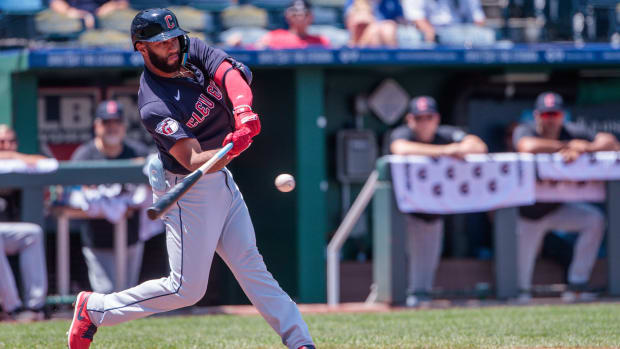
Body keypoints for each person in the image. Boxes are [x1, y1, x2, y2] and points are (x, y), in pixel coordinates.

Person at [67, 8, 315, 349]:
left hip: (221, 176)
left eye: (173, 39)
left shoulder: (189, 49)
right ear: (141, 48)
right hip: (186, 185)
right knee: (185, 289)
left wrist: (242, 111)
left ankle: (300, 341)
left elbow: (230, 73)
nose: (171, 47)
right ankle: (94, 309)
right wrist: (233, 149)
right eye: (160, 43)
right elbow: (194, 160)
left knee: (251, 266)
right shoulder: (154, 103)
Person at [513, 91, 619, 303]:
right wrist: (568, 147)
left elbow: (610, 142)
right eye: (546, 115)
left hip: (558, 208)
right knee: (520, 287)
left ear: (562, 115)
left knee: (594, 220)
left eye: (555, 114)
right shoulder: (527, 130)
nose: (551, 119)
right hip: (528, 214)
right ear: (536, 115)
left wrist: (586, 147)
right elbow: (526, 146)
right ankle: (519, 295)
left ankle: (577, 286)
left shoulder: (572, 130)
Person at [389, 96, 488, 307]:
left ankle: (419, 300)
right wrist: (446, 151)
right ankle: (397, 301)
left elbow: (479, 145)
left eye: (429, 117)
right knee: (398, 262)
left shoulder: (445, 133)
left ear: (437, 118)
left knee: (426, 265)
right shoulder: (403, 133)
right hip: (401, 211)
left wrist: (460, 147)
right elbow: (399, 148)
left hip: (432, 210)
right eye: (419, 118)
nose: (425, 122)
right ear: (410, 119)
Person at [70, 100, 150, 294]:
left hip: (131, 237)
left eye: (116, 122)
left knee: (129, 293)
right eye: (107, 123)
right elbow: (69, 196)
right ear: (97, 126)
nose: (112, 127)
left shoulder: (137, 152)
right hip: (97, 239)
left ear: (123, 126)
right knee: (106, 292)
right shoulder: (84, 155)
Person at [0, 125, 48, 322]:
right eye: (1, 142)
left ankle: (35, 307)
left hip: (7, 232)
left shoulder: (19, 160)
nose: (7, 146)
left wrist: (15, 156)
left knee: (33, 233)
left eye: (11, 141)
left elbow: (46, 163)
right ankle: (13, 307)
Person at [401, 0, 494, 45]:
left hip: (461, 30)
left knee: (487, 36)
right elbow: (416, 17)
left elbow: (478, 19)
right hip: (435, 33)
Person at [258, 0, 330, 49]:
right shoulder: (272, 37)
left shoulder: (320, 41)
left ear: (311, 17)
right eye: (295, 14)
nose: (300, 17)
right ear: (287, 15)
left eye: (305, 14)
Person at [49, 0, 128, 29]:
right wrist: (69, 11)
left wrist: (113, 5)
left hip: (104, 21)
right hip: (73, 19)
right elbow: (55, 3)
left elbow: (123, 3)